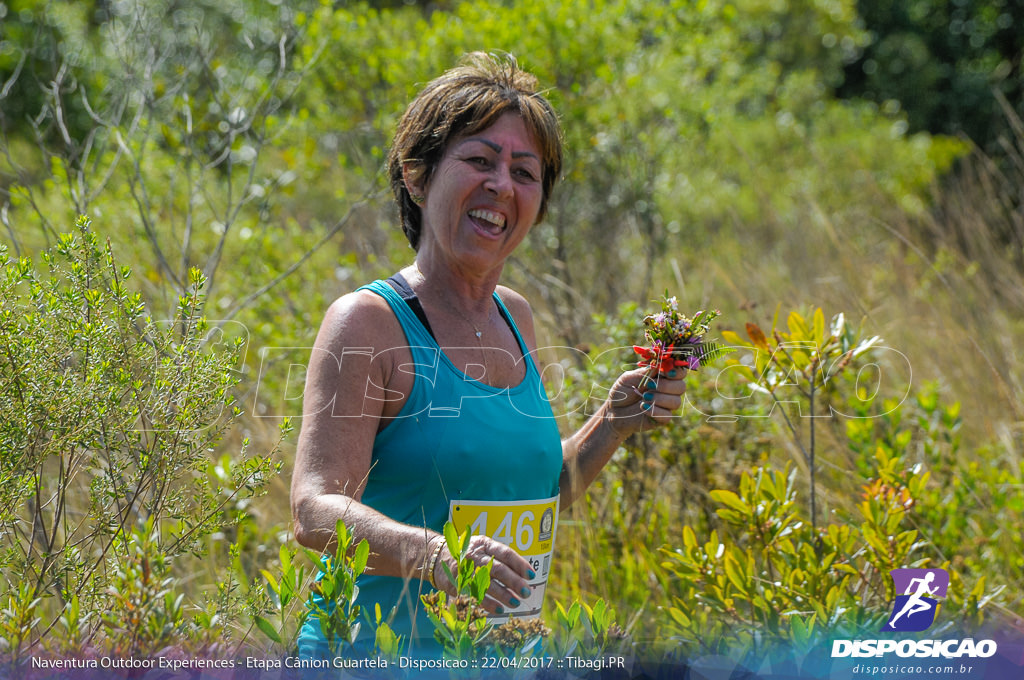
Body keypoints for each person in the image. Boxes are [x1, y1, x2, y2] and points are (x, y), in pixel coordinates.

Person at [290, 52, 686, 657]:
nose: (501, 185)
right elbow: (314, 512)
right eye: (478, 160)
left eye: (525, 173)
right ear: (417, 177)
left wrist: (613, 423)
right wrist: (435, 556)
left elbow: (529, 492)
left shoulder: (514, 315)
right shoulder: (368, 322)